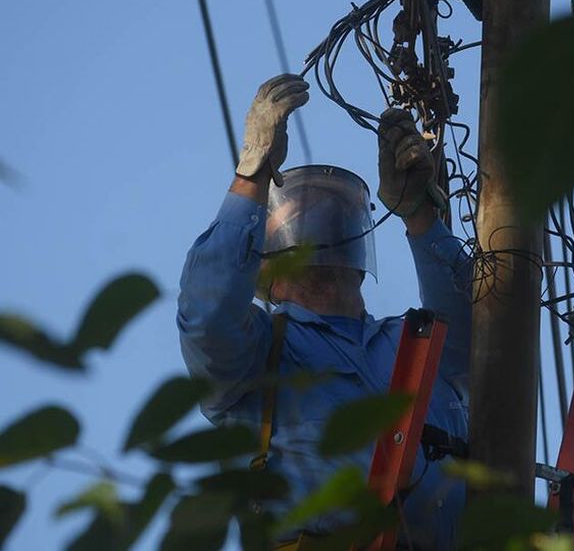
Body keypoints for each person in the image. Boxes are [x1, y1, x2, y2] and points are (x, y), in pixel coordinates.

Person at [177, 73, 472, 549]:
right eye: (299, 223)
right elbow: (207, 314)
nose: (320, 235)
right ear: (264, 263)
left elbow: (483, 328)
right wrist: (252, 174)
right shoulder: (257, 355)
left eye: (335, 219)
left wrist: (420, 215)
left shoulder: (412, 345)